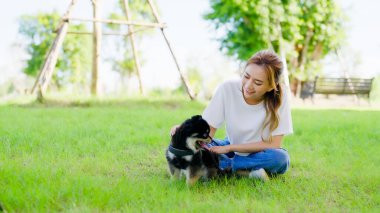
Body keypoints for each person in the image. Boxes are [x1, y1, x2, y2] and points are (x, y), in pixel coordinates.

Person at [171, 50, 293, 182]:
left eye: (257, 83)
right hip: (228, 146)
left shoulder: (281, 95)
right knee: (188, 146)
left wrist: (230, 148)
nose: (248, 85)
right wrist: (186, 132)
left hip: (260, 152)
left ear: (270, 87)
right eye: (246, 76)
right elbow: (208, 133)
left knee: (280, 158)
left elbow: (274, 144)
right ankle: (246, 171)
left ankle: (223, 167)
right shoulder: (227, 89)